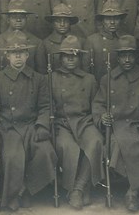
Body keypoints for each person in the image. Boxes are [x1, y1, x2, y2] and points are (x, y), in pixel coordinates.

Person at [0, 30, 57, 211]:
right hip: (8, 128)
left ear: (27, 55)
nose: (18, 57)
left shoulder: (38, 79)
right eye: (13, 54)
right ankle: (13, 195)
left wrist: (42, 125)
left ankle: (26, 190)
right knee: (12, 157)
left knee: (46, 152)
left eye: (21, 53)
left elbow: (46, 106)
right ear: (7, 56)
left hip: (31, 126)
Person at [92, 35, 139, 212]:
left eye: (131, 55)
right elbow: (98, 103)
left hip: (138, 123)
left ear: (136, 56)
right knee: (120, 145)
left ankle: (132, 190)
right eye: (123, 55)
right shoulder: (108, 78)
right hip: (117, 125)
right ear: (118, 57)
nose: (127, 59)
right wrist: (102, 116)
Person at [50, 36, 102, 209]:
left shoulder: (89, 79)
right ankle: (78, 190)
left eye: (74, 56)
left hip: (83, 121)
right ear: (61, 58)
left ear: (80, 58)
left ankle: (78, 189)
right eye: (66, 56)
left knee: (95, 142)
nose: (70, 59)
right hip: (61, 123)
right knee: (68, 147)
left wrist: (100, 117)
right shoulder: (52, 78)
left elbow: (96, 104)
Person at [0, 0, 47, 76]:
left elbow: (41, 74)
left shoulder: (37, 42)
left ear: (26, 19)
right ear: (8, 20)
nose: (18, 20)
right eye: (14, 17)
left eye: (22, 17)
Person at [85, 0, 128, 82]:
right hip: (99, 85)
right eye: (108, 18)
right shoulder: (92, 40)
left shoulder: (126, 39)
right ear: (102, 20)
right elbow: (86, 70)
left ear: (120, 20)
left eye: (116, 18)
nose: (112, 22)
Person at [43, 3, 84, 71]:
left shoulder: (81, 41)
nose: (62, 24)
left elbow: (84, 68)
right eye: (58, 21)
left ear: (70, 23)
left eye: (66, 21)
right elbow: (42, 70)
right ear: (53, 23)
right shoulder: (45, 44)